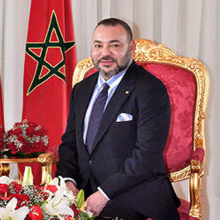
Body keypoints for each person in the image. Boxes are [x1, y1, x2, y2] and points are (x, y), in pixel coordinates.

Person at [55, 18, 180, 219]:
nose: (105, 53)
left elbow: (146, 156)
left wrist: (103, 195)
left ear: (131, 47)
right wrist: (68, 182)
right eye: (98, 45)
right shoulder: (82, 89)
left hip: (135, 195)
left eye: (114, 45)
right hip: (85, 191)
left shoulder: (150, 89)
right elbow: (70, 143)